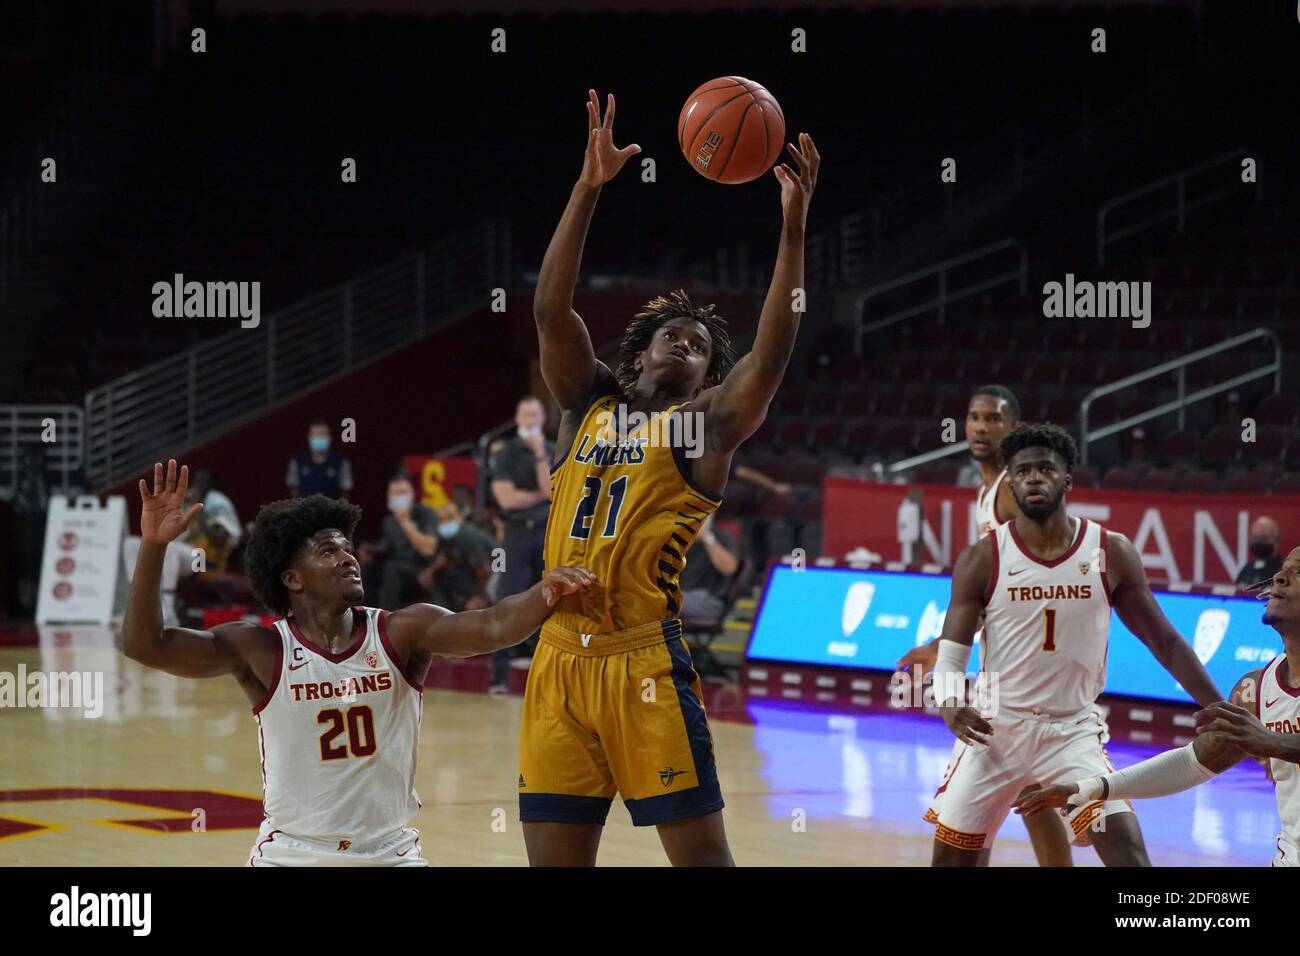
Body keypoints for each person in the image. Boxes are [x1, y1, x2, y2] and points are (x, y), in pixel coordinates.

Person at [520, 88, 818, 866]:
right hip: (556, 657)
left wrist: (792, 228)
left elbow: (771, 356)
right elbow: (552, 310)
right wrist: (588, 188)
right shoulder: (585, 403)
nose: (685, 345)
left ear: (706, 377)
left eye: (700, 347)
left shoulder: (699, 428)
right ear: (641, 352)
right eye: (671, 336)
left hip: (643, 660)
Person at [122, 459, 595, 867]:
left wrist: (543, 592)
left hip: (390, 852)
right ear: (292, 579)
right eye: (328, 551)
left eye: (347, 547)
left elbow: (493, 625)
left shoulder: (401, 631)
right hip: (294, 852)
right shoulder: (262, 650)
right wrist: (154, 545)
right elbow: (147, 644)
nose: (348, 558)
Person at [929, 422, 1224, 866]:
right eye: (1022, 470)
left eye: (1046, 468)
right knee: (952, 863)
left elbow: (1162, 640)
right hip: (995, 730)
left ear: (1067, 479)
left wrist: (1218, 707)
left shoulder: (1111, 551)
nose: (1033, 478)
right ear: (1009, 480)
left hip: (1072, 732)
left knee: (1127, 853)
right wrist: (951, 701)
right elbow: (952, 654)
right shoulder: (982, 558)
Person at [1015, 546, 1300, 867]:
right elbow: (1191, 763)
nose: (1279, 577)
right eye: (1282, 569)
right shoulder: (1255, 690)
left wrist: (1271, 741)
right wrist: (1091, 788)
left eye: (1298, 572)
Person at [896, 386, 1076, 866]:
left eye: (992, 419)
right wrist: (944, 642)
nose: (980, 427)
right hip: (1008, 664)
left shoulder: (1013, 495)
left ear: (1013, 428)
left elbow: (1035, 578)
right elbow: (994, 594)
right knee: (1033, 795)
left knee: (982, 800)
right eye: (973, 418)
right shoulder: (987, 491)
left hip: (1024, 669)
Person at [488, 396, 554, 693]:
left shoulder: (551, 449)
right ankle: (498, 676)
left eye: (535, 415)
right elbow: (506, 499)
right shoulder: (506, 453)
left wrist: (541, 455)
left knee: (552, 597)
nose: (531, 421)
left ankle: (550, 674)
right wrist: (538, 494)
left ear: (542, 419)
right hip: (514, 534)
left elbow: (553, 491)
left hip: (546, 532)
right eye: (525, 415)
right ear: (517, 419)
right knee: (507, 599)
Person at [361, 474, 440, 611]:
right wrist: (371, 551)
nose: (399, 497)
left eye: (403, 492)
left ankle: (387, 622)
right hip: (395, 567)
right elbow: (387, 547)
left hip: (420, 570)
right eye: (395, 493)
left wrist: (405, 521)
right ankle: (366, 617)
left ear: (412, 494)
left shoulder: (426, 514)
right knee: (369, 568)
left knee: (392, 569)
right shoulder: (389, 520)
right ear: (388, 496)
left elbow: (428, 550)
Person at [418, 501, 496, 612]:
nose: (445, 523)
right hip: (471, 573)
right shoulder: (445, 538)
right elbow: (442, 560)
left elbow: (484, 569)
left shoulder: (467, 535)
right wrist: (429, 572)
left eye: (450, 519)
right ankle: (442, 615)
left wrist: (481, 596)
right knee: (440, 577)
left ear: (459, 519)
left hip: (498, 569)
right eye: (442, 520)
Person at [678, 513, 739, 624]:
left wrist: (707, 538)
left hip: (710, 598)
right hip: (683, 594)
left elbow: (729, 568)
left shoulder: (722, 536)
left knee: (663, 602)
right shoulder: (679, 538)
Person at [286, 419, 353, 500]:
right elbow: (293, 490)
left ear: (329, 438)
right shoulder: (297, 461)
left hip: (332, 511)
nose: (318, 438)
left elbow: (345, 492)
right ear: (309, 438)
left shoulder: (341, 462)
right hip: (304, 511)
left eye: (322, 435)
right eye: (315, 435)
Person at [1237, 515, 1284, 590]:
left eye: (1263, 538)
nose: (1258, 542)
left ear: (1276, 540)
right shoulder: (1247, 569)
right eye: (1255, 538)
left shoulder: (1285, 570)